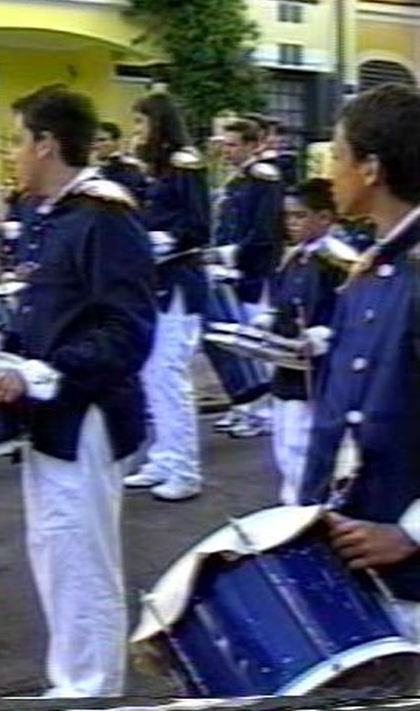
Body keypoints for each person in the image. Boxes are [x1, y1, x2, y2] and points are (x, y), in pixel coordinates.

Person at [0, 85, 156, 697]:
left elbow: (127, 332)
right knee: (55, 551)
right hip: (52, 411)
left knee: (82, 559)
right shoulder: (56, 216)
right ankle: (73, 679)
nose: (12, 153)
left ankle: (92, 688)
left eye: (18, 139)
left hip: (86, 415)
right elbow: (51, 318)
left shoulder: (105, 215)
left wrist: (42, 375)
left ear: (46, 143)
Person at [299, 84, 420, 669]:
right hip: (357, 556)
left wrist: (413, 533)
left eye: (337, 155)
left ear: (371, 168)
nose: (330, 171)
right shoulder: (374, 268)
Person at [122, 93, 210, 502]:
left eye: (141, 124)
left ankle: (185, 468)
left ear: (159, 124)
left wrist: (166, 241)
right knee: (152, 375)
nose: (136, 132)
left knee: (169, 376)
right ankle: (163, 457)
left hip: (178, 281)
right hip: (156, 281)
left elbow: (198, 225)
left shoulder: (183, 165)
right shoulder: (155, 170)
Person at [262, 179, 352, 504]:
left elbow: (350, 315)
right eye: (288, 216)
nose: (292, 223)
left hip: (318, 372)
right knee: (283, 445)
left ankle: (308, 514)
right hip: (287, 367)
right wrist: (269, 323)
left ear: (325, 218)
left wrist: (322, 336)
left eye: (300, 216)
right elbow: (283, 304)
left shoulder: (338, 261)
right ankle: (293, 507)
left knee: (305, 447)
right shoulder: (293, 258)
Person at [206, 118, 285, 438]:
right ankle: (243, 405)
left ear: (254, 146)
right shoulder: (237, 180)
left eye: (233, 144)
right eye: (225, 144)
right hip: (230, 269)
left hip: (254, 269)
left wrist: (230, 253)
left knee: (254, 339)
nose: (227, 150)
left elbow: (264, 231)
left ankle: (263, 411)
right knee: (232, 337)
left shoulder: (264, 179)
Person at [93, 120, 149, 203]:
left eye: (102, 140)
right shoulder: (88, 168)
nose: (96, 145)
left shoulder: (130, 167)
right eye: (94, 141)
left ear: (117, 142)